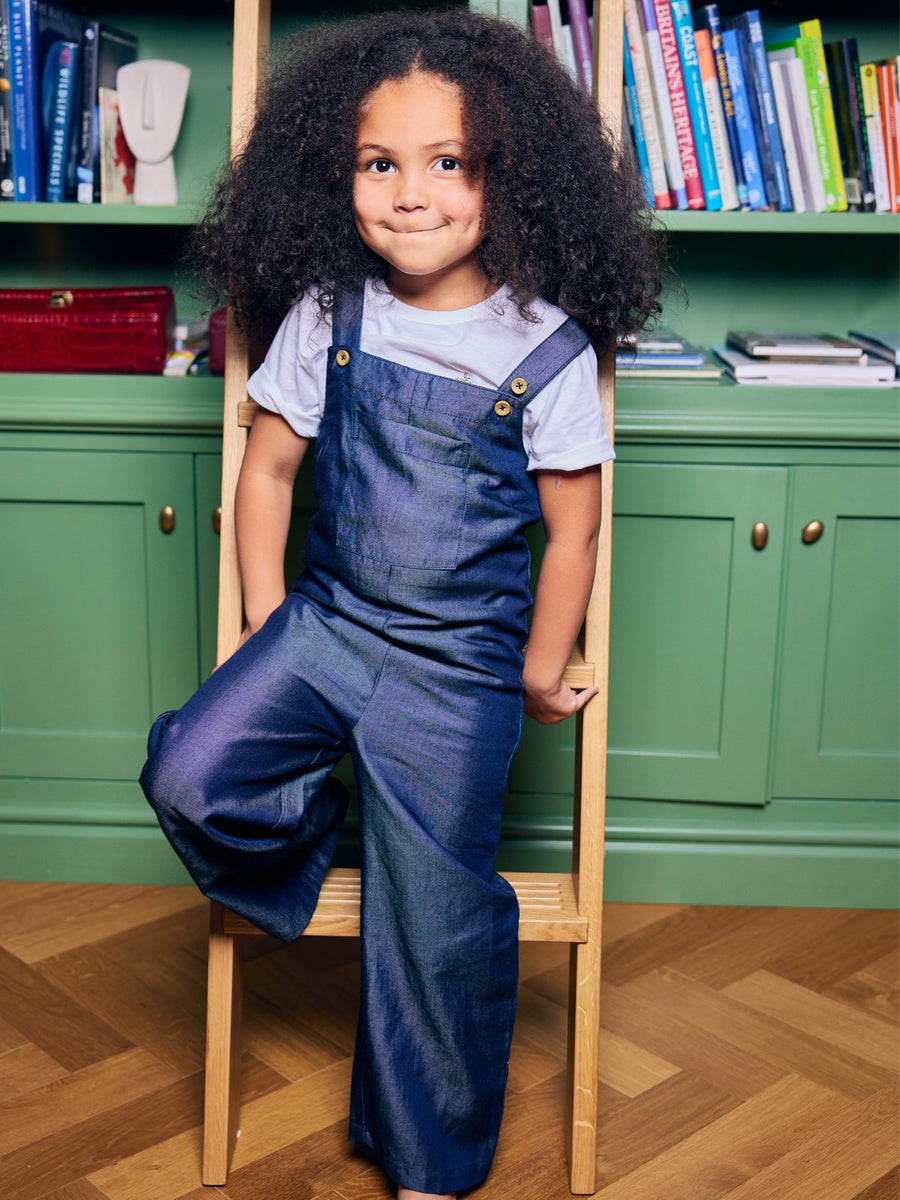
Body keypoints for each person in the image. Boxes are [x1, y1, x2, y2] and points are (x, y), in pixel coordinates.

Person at [141, 9, 662, 1198]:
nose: (410, 194)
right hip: (326, 629)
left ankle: (429, 1161)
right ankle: (317, 841)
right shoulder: (333, 312)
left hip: (459, 674)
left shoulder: (549, 347)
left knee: (433, 924)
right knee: (190, 773)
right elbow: (267, 473)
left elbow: (573, 528)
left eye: (448, 164)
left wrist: (540, 667)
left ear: (509, 179)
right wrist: (271, 622)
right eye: (381, 163)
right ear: (339, 174)